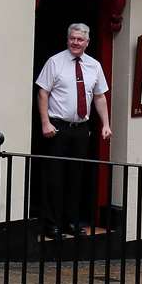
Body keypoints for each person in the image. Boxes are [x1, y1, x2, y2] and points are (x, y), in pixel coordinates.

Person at [35, 23, 112, 239]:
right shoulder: (55, 62)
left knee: (76, 177)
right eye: (72, 39)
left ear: (87, 42)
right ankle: (52, 224)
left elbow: (99, 96)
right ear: (67, 39)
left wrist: (105, 124)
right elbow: (43, 93)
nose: (75, 43)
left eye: (80, 39)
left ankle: (71, 221)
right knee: (55, 177)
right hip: (57, 128)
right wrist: (45, 123)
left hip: (81, 129)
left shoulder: (94, 66)